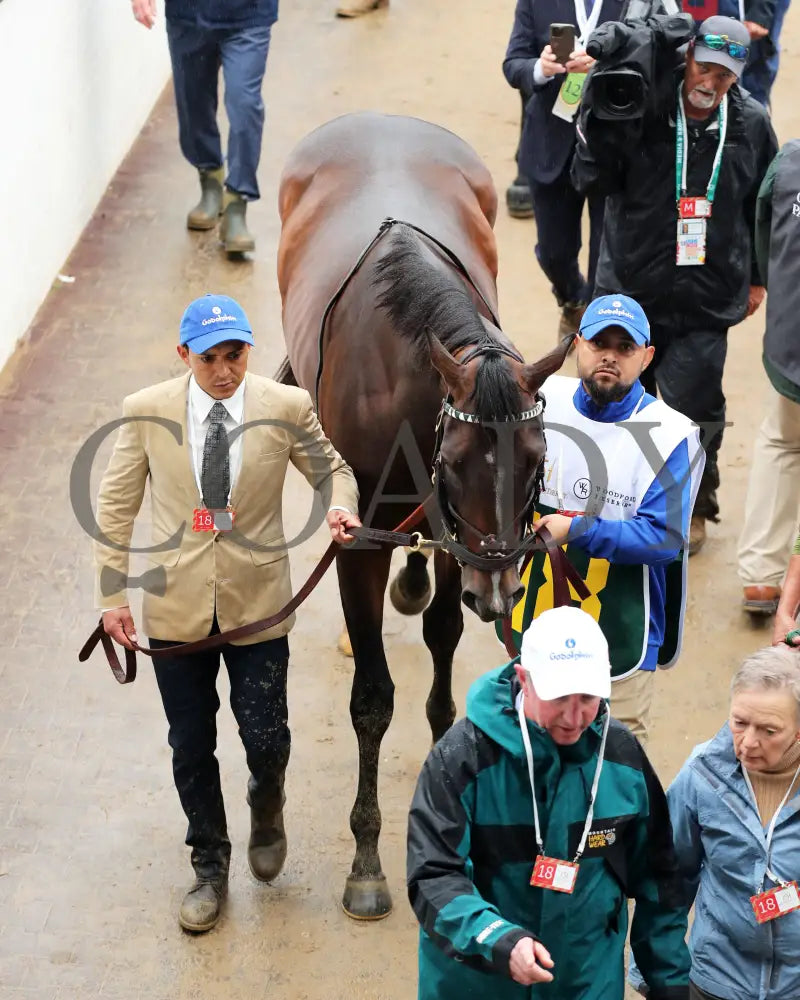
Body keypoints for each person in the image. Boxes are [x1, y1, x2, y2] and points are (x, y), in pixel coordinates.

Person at [94, 293, 360, 932]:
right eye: (208, 357)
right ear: (184, 354)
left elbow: (335, 470)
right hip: (174, 612)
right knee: (191, 745)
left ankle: (267, 802)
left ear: (249, 351)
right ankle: (209, 865)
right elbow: (115, 510)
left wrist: (338, 505)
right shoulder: (146, 411)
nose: (222, 371)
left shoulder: (286, 406)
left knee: (267, 736)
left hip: (259, 607)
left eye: (234, 355)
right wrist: (111, 598)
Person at [407, 605, 691, 1000]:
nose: (575, 718)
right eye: (559, 697)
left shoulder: (622, 758)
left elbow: (660, 884)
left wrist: (671, 986)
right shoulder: (461, 757)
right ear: (524, 679)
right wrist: (498, 939)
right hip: (478, 985)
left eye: (588, 697)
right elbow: (433, 877)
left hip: (586, 985)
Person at [573, 16, 778, 553]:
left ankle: (695, 505)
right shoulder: (643, 108)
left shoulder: (752, 124)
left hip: (706, 298)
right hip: (629, 289)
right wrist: (600, 119)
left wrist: (756, 277)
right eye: (703, 67)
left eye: (726, 75)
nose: (711, 82)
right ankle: (610, 495)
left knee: (697, 409)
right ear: (685, 57)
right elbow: (589, 180)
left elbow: (763, 207)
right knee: (613, 397)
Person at [503, 294, 703, 744]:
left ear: (647, 357)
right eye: (598, 342)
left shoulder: (671, 434)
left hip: (622, 635)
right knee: (526, 756)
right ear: (577, 344)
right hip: (533, 618)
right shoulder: (539, 401)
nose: (609, 355)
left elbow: (663, 539)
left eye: (625, 347)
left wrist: (577, 529)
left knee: (614, 777)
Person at [630, 645, 800, 999]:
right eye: (740, 723)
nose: (748, 743)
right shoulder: (702, 775)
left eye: (769, 730)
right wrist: (658, 977)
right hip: (714, 981)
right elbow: (669, 879)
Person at [503, 0, 624, 339]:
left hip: (611, 146)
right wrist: (540, 69)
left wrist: (610, 63)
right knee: (554, 253)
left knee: (608, 258)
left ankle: (597, 330)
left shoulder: (635, 3)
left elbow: (660, 56)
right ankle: (572, 300)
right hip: (550, 145)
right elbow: (514, 63)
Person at [131, 0, 277, 254]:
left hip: (249, 15)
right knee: (193, 104)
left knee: (245, 106)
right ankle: (210, 177)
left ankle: (236, 203)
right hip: (188, 15)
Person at [738, 140, 800, 617]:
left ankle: (761, 576)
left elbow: (764, 241)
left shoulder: (791, 160)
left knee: (782, 442)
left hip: (791, 345)